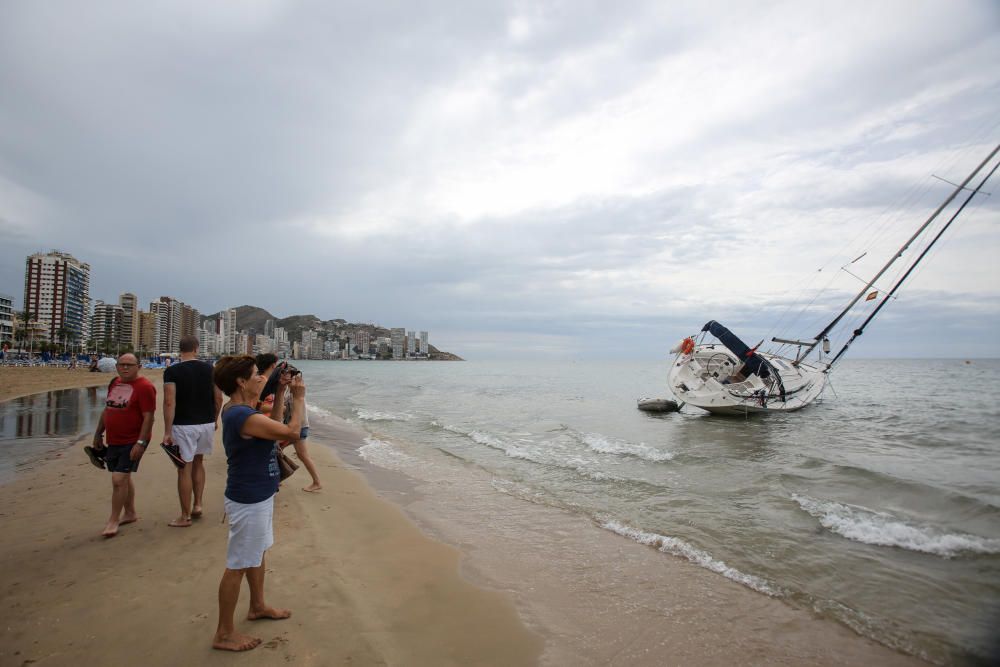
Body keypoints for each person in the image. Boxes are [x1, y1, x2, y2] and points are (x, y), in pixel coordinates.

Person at [211, 355, 303, 652]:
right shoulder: (240, 415)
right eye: (255, 374)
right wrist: (300, 399)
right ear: (240, 381)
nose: (261, 378)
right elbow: (290, 432)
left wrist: (284, 394)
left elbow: (272, 425)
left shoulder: (243, 410)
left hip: (258, 494)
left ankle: (258, 605)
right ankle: (224, 633)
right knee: (237, 564)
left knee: (257, 552)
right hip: (248, 497)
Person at [90, 353, 156, 538]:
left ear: (138, 366)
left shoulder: (145, 387)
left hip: (133, 440)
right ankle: (130, 512)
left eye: (129, 364)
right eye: (121, 364)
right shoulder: (115, 383)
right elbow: (108, 409)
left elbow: (148, 417)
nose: (125, 368)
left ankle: (113, 520)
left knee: (118, 480)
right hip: (114, 439)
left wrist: (141, 443)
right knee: (123, 477)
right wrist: (98, 434)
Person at [162, 335, 223, 527]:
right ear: (196, 349)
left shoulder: (172, 371)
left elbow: (169, 401)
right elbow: (219, 398)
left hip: (183, 425)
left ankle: (184, 516)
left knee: (183, 469)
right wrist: (214, 419)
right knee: (199, 462)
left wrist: (167, 430)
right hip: (205, 424)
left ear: (180, 350)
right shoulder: (210, 369)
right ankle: (197, 505)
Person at [255, 353, 322, 492]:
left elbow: (293, 412)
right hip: (296, 427)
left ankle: (316, 482)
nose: (283, 377)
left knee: (292, 453)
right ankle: (278, 476)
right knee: (279, 450)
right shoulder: (290, 392)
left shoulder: (295, 393)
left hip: (299, 428)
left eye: (287, 375)